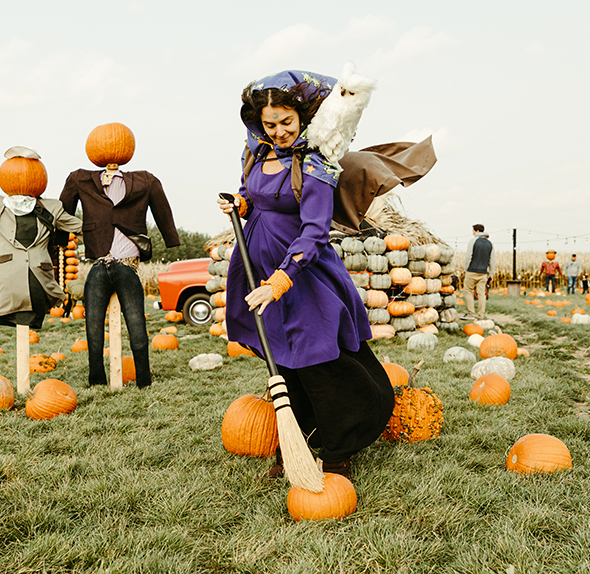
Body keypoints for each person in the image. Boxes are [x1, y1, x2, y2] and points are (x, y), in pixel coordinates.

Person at [216, 69, 394, 480]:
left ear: (304, 116)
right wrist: (239, 205)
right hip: (258, 269)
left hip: (302, 276)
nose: (277, 131)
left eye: (286, 122)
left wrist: (280, 282)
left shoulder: (315, 164)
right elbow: (256, 197)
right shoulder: (258, 155)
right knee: (285, 364)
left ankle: (336, 452)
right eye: (269, 124)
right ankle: (295, 446)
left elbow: (314, 232)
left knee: (319, 364)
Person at [60, 135, 180, 389]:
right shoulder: (81, 179)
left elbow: (162, 208)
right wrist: (60, 237)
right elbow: (64, 208)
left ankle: (144, 380)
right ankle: (96, 380)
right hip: (98, 264)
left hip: (128, 265)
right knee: (92, 324)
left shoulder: (144, 180)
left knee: (137, 323)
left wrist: (171, 238)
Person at [0, 164, 82, 330]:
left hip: (38, 278)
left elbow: (78, 226)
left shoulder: (50, 208)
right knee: (13, 318)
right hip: (9, 279)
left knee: (32, 318)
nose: (23, 181)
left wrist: (105, 243)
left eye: (30, 175)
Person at [462, 224, 494, 320]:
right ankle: (481, 315)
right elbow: (492, 260)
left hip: (472, 270)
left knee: (467, 291)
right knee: (481, 294)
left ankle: (471, 313)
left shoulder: (473, 241)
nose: (472, 232)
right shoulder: (490, 244)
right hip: (483, 273)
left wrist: (465, 268)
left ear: (476, 231)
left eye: (473, 230)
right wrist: (491, 274)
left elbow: (469, 256)